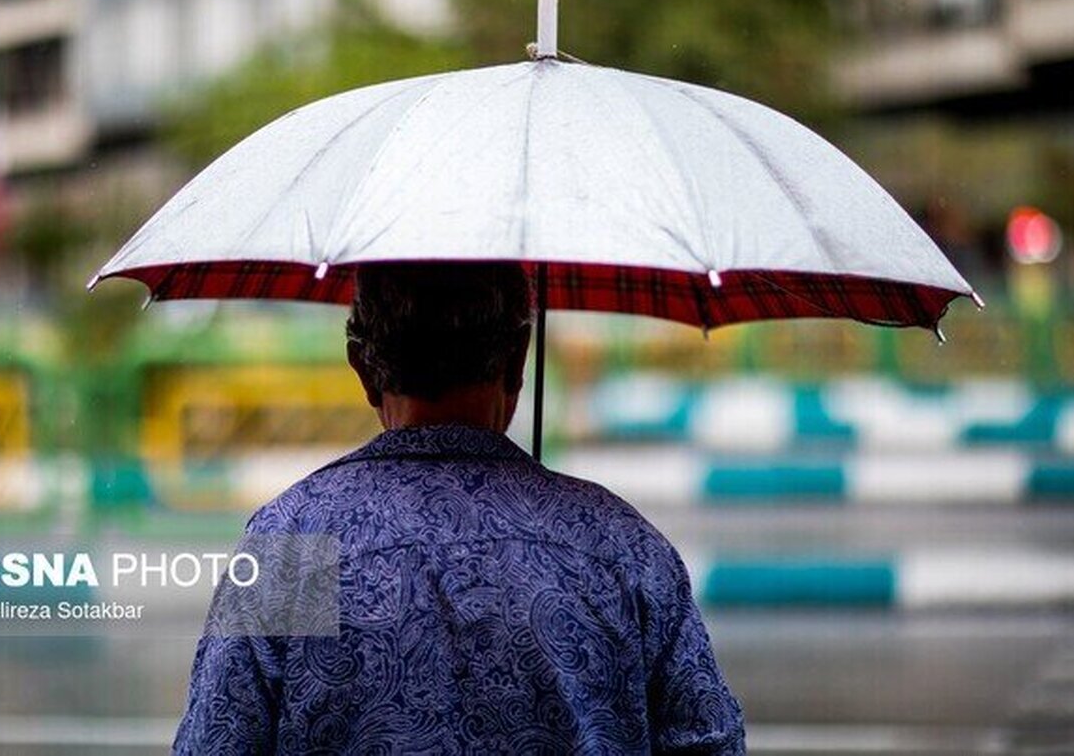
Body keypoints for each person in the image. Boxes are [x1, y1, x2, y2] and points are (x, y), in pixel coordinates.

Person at [173, 261, 746, 754]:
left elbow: (216, 741)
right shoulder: (624, 549)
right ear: (519, 357)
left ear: (363, 367)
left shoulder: (290, 547)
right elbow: (709, 740)